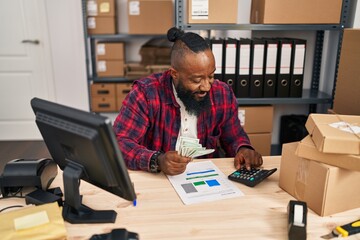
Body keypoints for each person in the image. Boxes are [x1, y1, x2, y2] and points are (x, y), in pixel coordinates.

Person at [113, 27, 263, 176]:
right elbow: (119, 142)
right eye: (197, 80)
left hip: (206, 176)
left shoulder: (222, 93)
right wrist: (157, 160)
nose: (206, 86)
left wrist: (243, 149)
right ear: (174, 74)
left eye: (210, 76)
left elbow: (234, 136)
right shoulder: (146, 94)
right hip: (160, 178)